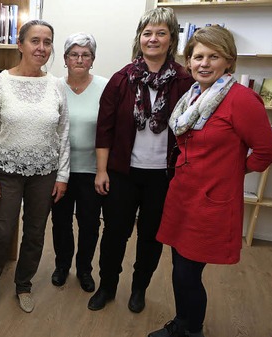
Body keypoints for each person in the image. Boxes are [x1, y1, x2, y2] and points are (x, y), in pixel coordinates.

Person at [148, 26, 272, 337]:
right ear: (189, 62)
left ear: (228, 61)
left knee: (188, 272)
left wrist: (234, 171)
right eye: (198, 56)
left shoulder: (241, 99)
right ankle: (182, 322)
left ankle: (194, 331)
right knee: (179, 266)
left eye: (213, 56)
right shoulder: (192, 97)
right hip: (181, 196)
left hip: (211, 202)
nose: (204, 63)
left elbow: (267, 151)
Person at [90, 7, 194, 313]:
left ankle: (139, 289)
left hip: (164, 177)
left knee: (151, 237)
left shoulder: (185, 83)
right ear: (139, 38)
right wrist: (100, 171)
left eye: (161, 33)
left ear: (171, 39)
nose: (153, 39)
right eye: (147, 33)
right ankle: (107, 286)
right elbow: (104, 129)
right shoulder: (122, 80)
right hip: (122, 173)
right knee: (114, 234)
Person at [0, 19, 70, 320]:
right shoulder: (0, 82)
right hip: (7, 171)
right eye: (35, 41)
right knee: (1, 232)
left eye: (47, 42)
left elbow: (64, 132)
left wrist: (63, 176)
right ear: (20, 44)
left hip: (45, 172)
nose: (41, 48)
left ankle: (23, 285)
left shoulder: (57, 85)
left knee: (34, 232)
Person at [50, 32, 108, 292]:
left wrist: (103, 170)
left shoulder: (106, 87)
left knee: (89, 223)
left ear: (92, 59)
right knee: (61, 222)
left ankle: (84, 269)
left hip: (91, 170)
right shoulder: (53, 87)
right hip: (59, 170)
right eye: (74, 54)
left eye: (86, 55)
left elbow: (110, 130)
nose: (79, 59)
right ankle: (62, 265)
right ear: (65, 59)